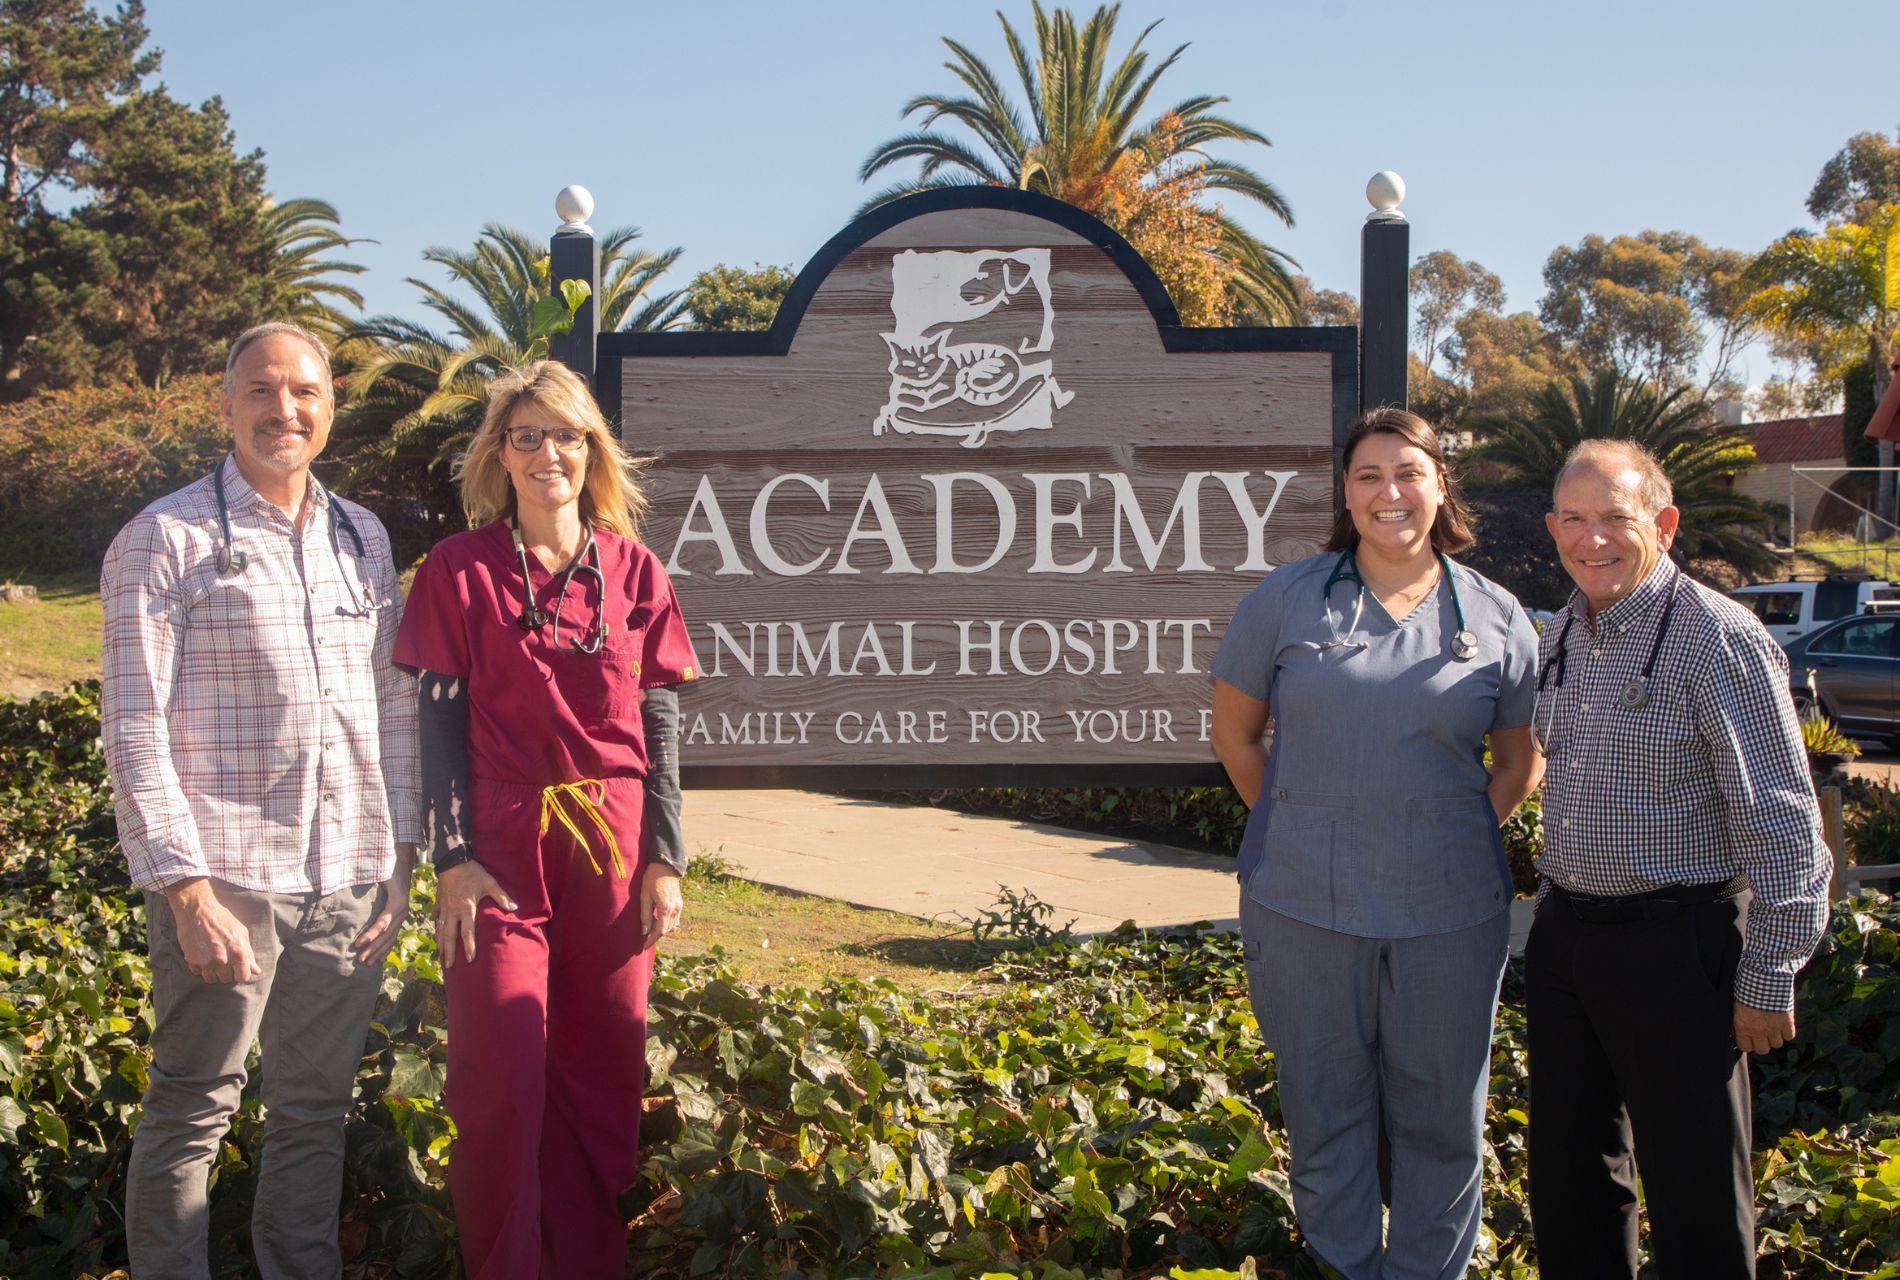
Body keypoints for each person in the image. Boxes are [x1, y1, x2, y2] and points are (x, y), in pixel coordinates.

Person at [101, 322, 420, 1279]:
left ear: (331, 406)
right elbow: (133, 727)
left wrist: (397, 862)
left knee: (315, 1113)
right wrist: (185, 892)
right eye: (263, 391)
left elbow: (393, 708)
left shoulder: (363, 536)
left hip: (349, 884)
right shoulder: (165, 537)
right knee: (194, 1105)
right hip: (229, 878)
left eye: (306, 392)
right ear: (227, 403)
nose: (286, 410)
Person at [1209, 407, 1543, 1279]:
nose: (1389, 493)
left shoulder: (1500, 617)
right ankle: (1344, 1264)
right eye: (1368, 477)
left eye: (1408, 473)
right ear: (1346, 494)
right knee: (1325, 1107)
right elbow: (1238, 741)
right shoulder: (1284, 600)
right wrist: (1305, 825)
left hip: (1451, 909)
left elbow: (1520, 760)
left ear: (1439, 486)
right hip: (1301, 905)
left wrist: (1444, 832)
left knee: (1444, 1115)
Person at [392, 359, 698, 1278]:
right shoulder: (458, 568)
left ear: (592, 451)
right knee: (500, 1081)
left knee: (599, 1074)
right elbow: (437, 718)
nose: (546, 453)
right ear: (499, 453)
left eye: (565, 435)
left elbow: (661, 717)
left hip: (611, 847)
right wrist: (452, 857)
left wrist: (666, 857)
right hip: (499, 850)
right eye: (525, 436)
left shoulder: (634, 568)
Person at [1526, 439, 1830, 1278]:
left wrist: (1769, 977)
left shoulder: (1716, 636)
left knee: (1696, 1199)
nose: (1594, 539)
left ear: (1661, 524)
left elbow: (1784, 822)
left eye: (1616, 518)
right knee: (1573, 1182)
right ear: (1553, 528)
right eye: (1576, 520)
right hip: (1567, 942)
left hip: (1679, 947)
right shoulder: (1562, 632)